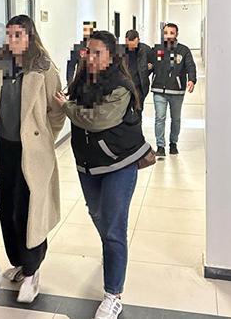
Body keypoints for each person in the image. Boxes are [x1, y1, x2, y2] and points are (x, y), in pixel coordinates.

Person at [54, 31, 152, 319]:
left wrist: (67, 107)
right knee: (98, 215)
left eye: (98, 52)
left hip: (119, 163)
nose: (91, 57)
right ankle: (111, 251)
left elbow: (97, 120)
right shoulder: (81, 80)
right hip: (88, 165)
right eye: (88, 51)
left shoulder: (121, 85)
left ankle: (113, 294)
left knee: (114, 228)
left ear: (111, 55)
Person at [0, 15, 65, 304]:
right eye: (9, 35)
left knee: (28, 210)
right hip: (4, 149)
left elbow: (57, 112)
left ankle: (32, 270)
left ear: (30, 36)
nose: (12, 40)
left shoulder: (44, 69)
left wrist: (43, 139)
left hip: (32, 152)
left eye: (18, 35)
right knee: (7, 208)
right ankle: (19, 262)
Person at [149, 23, 197, 157]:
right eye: (166, 33)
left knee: (175, 119)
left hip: (177, 91)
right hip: (159, 89)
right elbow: (149, 65)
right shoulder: (157, 50)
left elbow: (190, 66)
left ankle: (173, 143)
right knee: (160, 118)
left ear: (176, 34)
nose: (168, 35)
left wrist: (191, 79)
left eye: (171, 33)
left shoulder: (183, 50)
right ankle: (160, 146)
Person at [123, 30, 153, 111]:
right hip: (125, 87)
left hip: (139, 86)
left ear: (138, 40)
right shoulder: (121, 51)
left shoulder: (145, 50)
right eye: (130, 45)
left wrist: (146, 70)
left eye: (134, 45)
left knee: (138, 110)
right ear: (126, 40)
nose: (132, 48)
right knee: (124, 110)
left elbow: (154, 63)